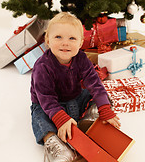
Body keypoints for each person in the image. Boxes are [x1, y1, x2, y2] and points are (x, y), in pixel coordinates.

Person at [30, 12, 121, 162]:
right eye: (58, 37)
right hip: (49, 105)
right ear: (47, 40)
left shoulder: (82, 58)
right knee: (39, 117)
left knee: (99, 95)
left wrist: (104, 108)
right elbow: (46, 98)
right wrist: (60, 118)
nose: (65, 43)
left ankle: (92, 118)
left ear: (80, 43)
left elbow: (95, 84)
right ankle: (53, 142)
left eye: (72, 38)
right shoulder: (42, 66)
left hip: (75, 99)